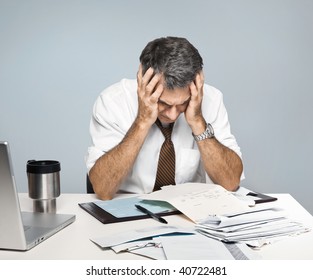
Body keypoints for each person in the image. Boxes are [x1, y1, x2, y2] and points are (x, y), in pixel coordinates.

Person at [86, 36, 244, 200]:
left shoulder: (211, 99)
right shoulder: (112, 102)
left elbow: (230, 182)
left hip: (188, 211)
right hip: (127, 209)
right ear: (143, 79)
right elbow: (102, 189)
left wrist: (198, 122)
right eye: (164, 103)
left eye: (183, 103)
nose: (172, 114)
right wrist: (142, 121)